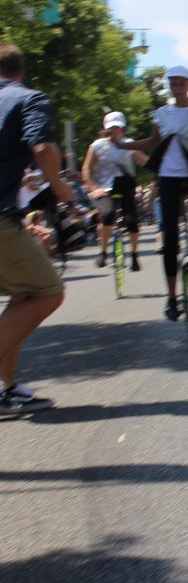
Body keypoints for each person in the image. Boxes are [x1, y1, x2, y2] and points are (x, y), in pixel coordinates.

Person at [0, 42, 74, 412]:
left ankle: (5, 388)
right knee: (48, 293)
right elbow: (42, 148)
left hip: (7, 217)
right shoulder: (27, 99)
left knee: (23, 295)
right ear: (21, 72)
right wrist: (62, 190)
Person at [118, 65, 188, 321]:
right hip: (169, 177)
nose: (176, 88)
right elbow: (153, 143)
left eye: (180, 83)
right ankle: (172, 297)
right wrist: (124, 145)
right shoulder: (161, 114)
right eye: (172, 84)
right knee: (170, 238)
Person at [82, 111, 147, 271]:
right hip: (105, 187)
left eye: (118, 127)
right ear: (106, 129)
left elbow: (144, 160)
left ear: (123, 128)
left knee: (131, 219)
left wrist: (162, 168)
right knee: (108, 216)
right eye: (112, 128)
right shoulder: (97, 146)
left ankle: (134, 255)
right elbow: (86, 169)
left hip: (126, 185)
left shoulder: (129, 144)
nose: (115, 130)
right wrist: (93, 188)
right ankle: (103, 252)